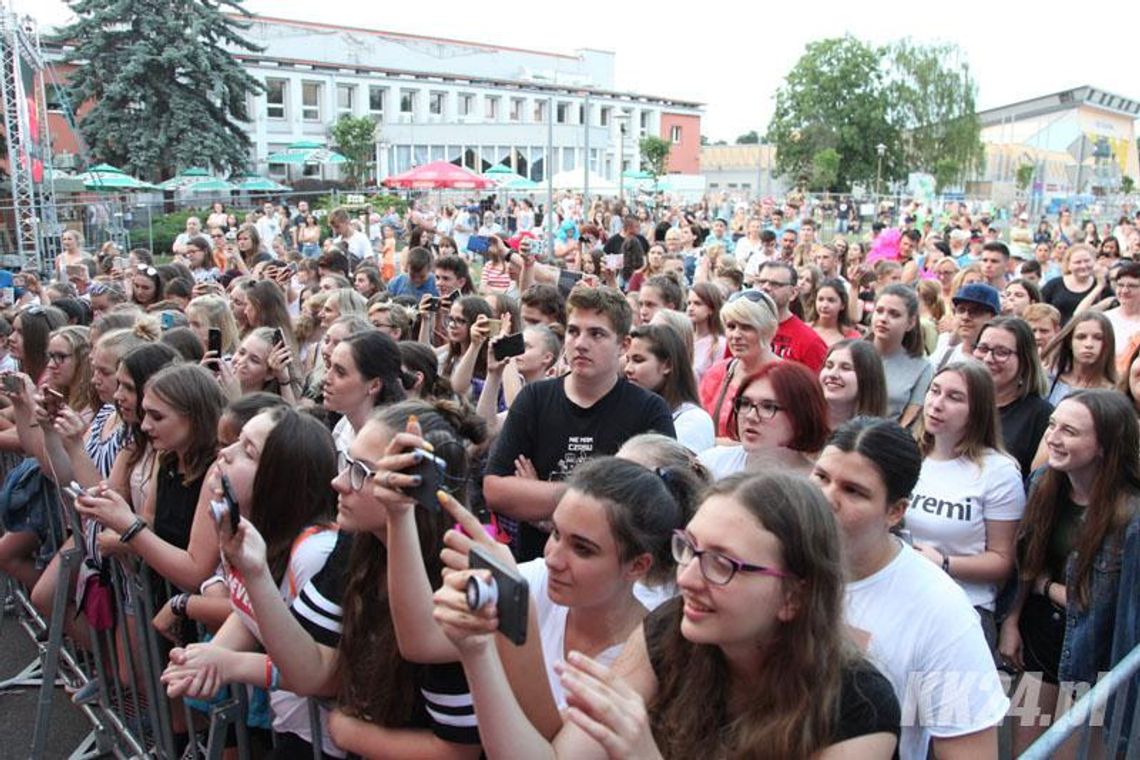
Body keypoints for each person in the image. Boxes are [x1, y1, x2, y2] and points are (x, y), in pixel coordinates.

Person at [434, 470, 901, 759]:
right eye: (690, 549)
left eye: (723, 563)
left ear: (794, 597)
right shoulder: (670, 634)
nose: (687, 580)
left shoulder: (858, 706)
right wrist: (477, 650)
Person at [163, 401, 484, 759]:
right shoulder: (355, 546)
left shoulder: (457, 576)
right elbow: (312, 671)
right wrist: (255, 574)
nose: (338, 482)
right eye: (347, 462)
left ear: (415, 489)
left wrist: (351, 733)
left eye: (361, 472)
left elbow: (459, 752)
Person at [812, 417, 1008, 759]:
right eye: (822, 477)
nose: (828, 498)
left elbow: (970, 751)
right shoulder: (772, 562)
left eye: (853, 490)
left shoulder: (940, 610)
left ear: (896, 511)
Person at [483, 286, 676, 561]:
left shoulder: (649, 410)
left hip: (613, 575)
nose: (580, 343)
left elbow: (655, 504)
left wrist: (541, 501)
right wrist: (604, 497)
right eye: (573, 331)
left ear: (623, 345)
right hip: (538, 566)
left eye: (596, 334)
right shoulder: (535, 398)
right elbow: (496, 490)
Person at [999, 390, 1140, 755]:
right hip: (1040, 640)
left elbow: (1097, 601)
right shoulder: (1043, 483)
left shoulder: (1131, 515)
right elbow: (1028, 563)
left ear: (1105, 446)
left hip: (1093, 656)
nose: (1053, 437)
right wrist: (1012, 621)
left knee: (1068, 753)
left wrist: (1049, 588)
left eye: (1070, 431)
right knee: (1026, 752)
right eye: (1052, 425)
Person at [911, 360, 1025, 646]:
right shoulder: (911, 456)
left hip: (962, 610)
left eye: (954, 397)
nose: (937, 404)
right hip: (906, 599)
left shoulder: (998, 471)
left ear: (977, 411)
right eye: (934, 391)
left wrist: (945, 563)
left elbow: (1002, 560)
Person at [698, 361, 829, 479]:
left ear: (801, 415)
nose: (751, 416)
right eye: (745, 403)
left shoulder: (819, 485)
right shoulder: (710, 465)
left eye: (768, 407)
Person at [972, 317, 1053, 477]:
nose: (988, 358)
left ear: (1024, 360)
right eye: (982, 348)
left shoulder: (1040, 415)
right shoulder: (959, 402)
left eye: (1001, 352)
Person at [698, 291, 779, 439]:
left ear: (767, 330)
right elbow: (700, 429)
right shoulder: (717, 373)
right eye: (731, 326)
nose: (736, 335)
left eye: (746, 327)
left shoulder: (789, 379)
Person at [624, 324, 715, 453]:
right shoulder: (629, 410)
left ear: (667, 365)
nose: (628, 369)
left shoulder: (693, 420)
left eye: (638, 360)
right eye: (627, 360)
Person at [867, 285, 931, 427]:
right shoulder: (850, 353)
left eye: (894, 314)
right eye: (879, 311)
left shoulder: (922, 367)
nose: (883, 319)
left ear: (910, 323)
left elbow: (910, 419)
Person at [755, 262, 827, 372]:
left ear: (793, 293)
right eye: (762, 282)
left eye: (775, 284)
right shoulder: (742, 329)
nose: (765, 287)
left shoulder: (809, 341)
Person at [1041, 310, 1117, 405]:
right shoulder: (1049, 382)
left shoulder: (1115, 391)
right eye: (1081, 337)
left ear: (1107, 343)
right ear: (1070, 341)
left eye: (1098, 338)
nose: (1089, 344)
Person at [928, 282, 1000, 371]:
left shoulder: (999, 361)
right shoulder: (944, 354)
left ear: (993, 318)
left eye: (975, 311)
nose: (966, 317)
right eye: (961, 310)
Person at [820, 339, 887, 430]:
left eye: (846, 368)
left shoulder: (877, 436)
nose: (832, 374)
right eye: (829, 366)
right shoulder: (800, 420)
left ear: (868, 379)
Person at [1041, 244, 1103, 325]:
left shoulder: (1101, 285)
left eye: (1087, 261)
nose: (1083, 266)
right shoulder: (1054, 285)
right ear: (1068, 265)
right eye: (1078, 262)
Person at [686, 282, 726, 382]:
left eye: (697, 303)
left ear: (711, 309)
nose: (691, 308)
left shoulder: (719, 344)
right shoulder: (684, 337)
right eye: (689, 303)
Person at [811, 278, 861, 348]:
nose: (824, 305)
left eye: (831, 300)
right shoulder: (804, 329)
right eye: (820, 299)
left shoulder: (852, 337)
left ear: (842, 305)